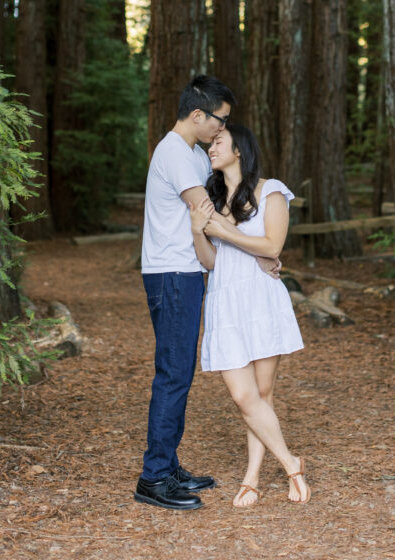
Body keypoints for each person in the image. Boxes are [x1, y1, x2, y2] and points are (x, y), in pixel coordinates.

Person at [189, 122, 311, 506]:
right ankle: (291, 462)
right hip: (225, 300)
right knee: (244, 397)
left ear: (239, 149)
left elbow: (273, 246)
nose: (211, 147)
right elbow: (211, 261)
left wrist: (224, 230)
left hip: (259, 298)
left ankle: (252, 476)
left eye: (219, 141)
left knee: (262, 393)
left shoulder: (269, 191)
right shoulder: (210, 200)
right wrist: (198, 231)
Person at [133, 74, 238, 512]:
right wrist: (263, 248)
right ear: (198, 114)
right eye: (219, 119)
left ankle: (168, 464)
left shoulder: (191, 153)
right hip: (173, 273)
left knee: (178, 370)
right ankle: (153, 478)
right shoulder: (174, 152)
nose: (221, 129)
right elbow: (205, 215)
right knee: (174, 373)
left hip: (184, 270)